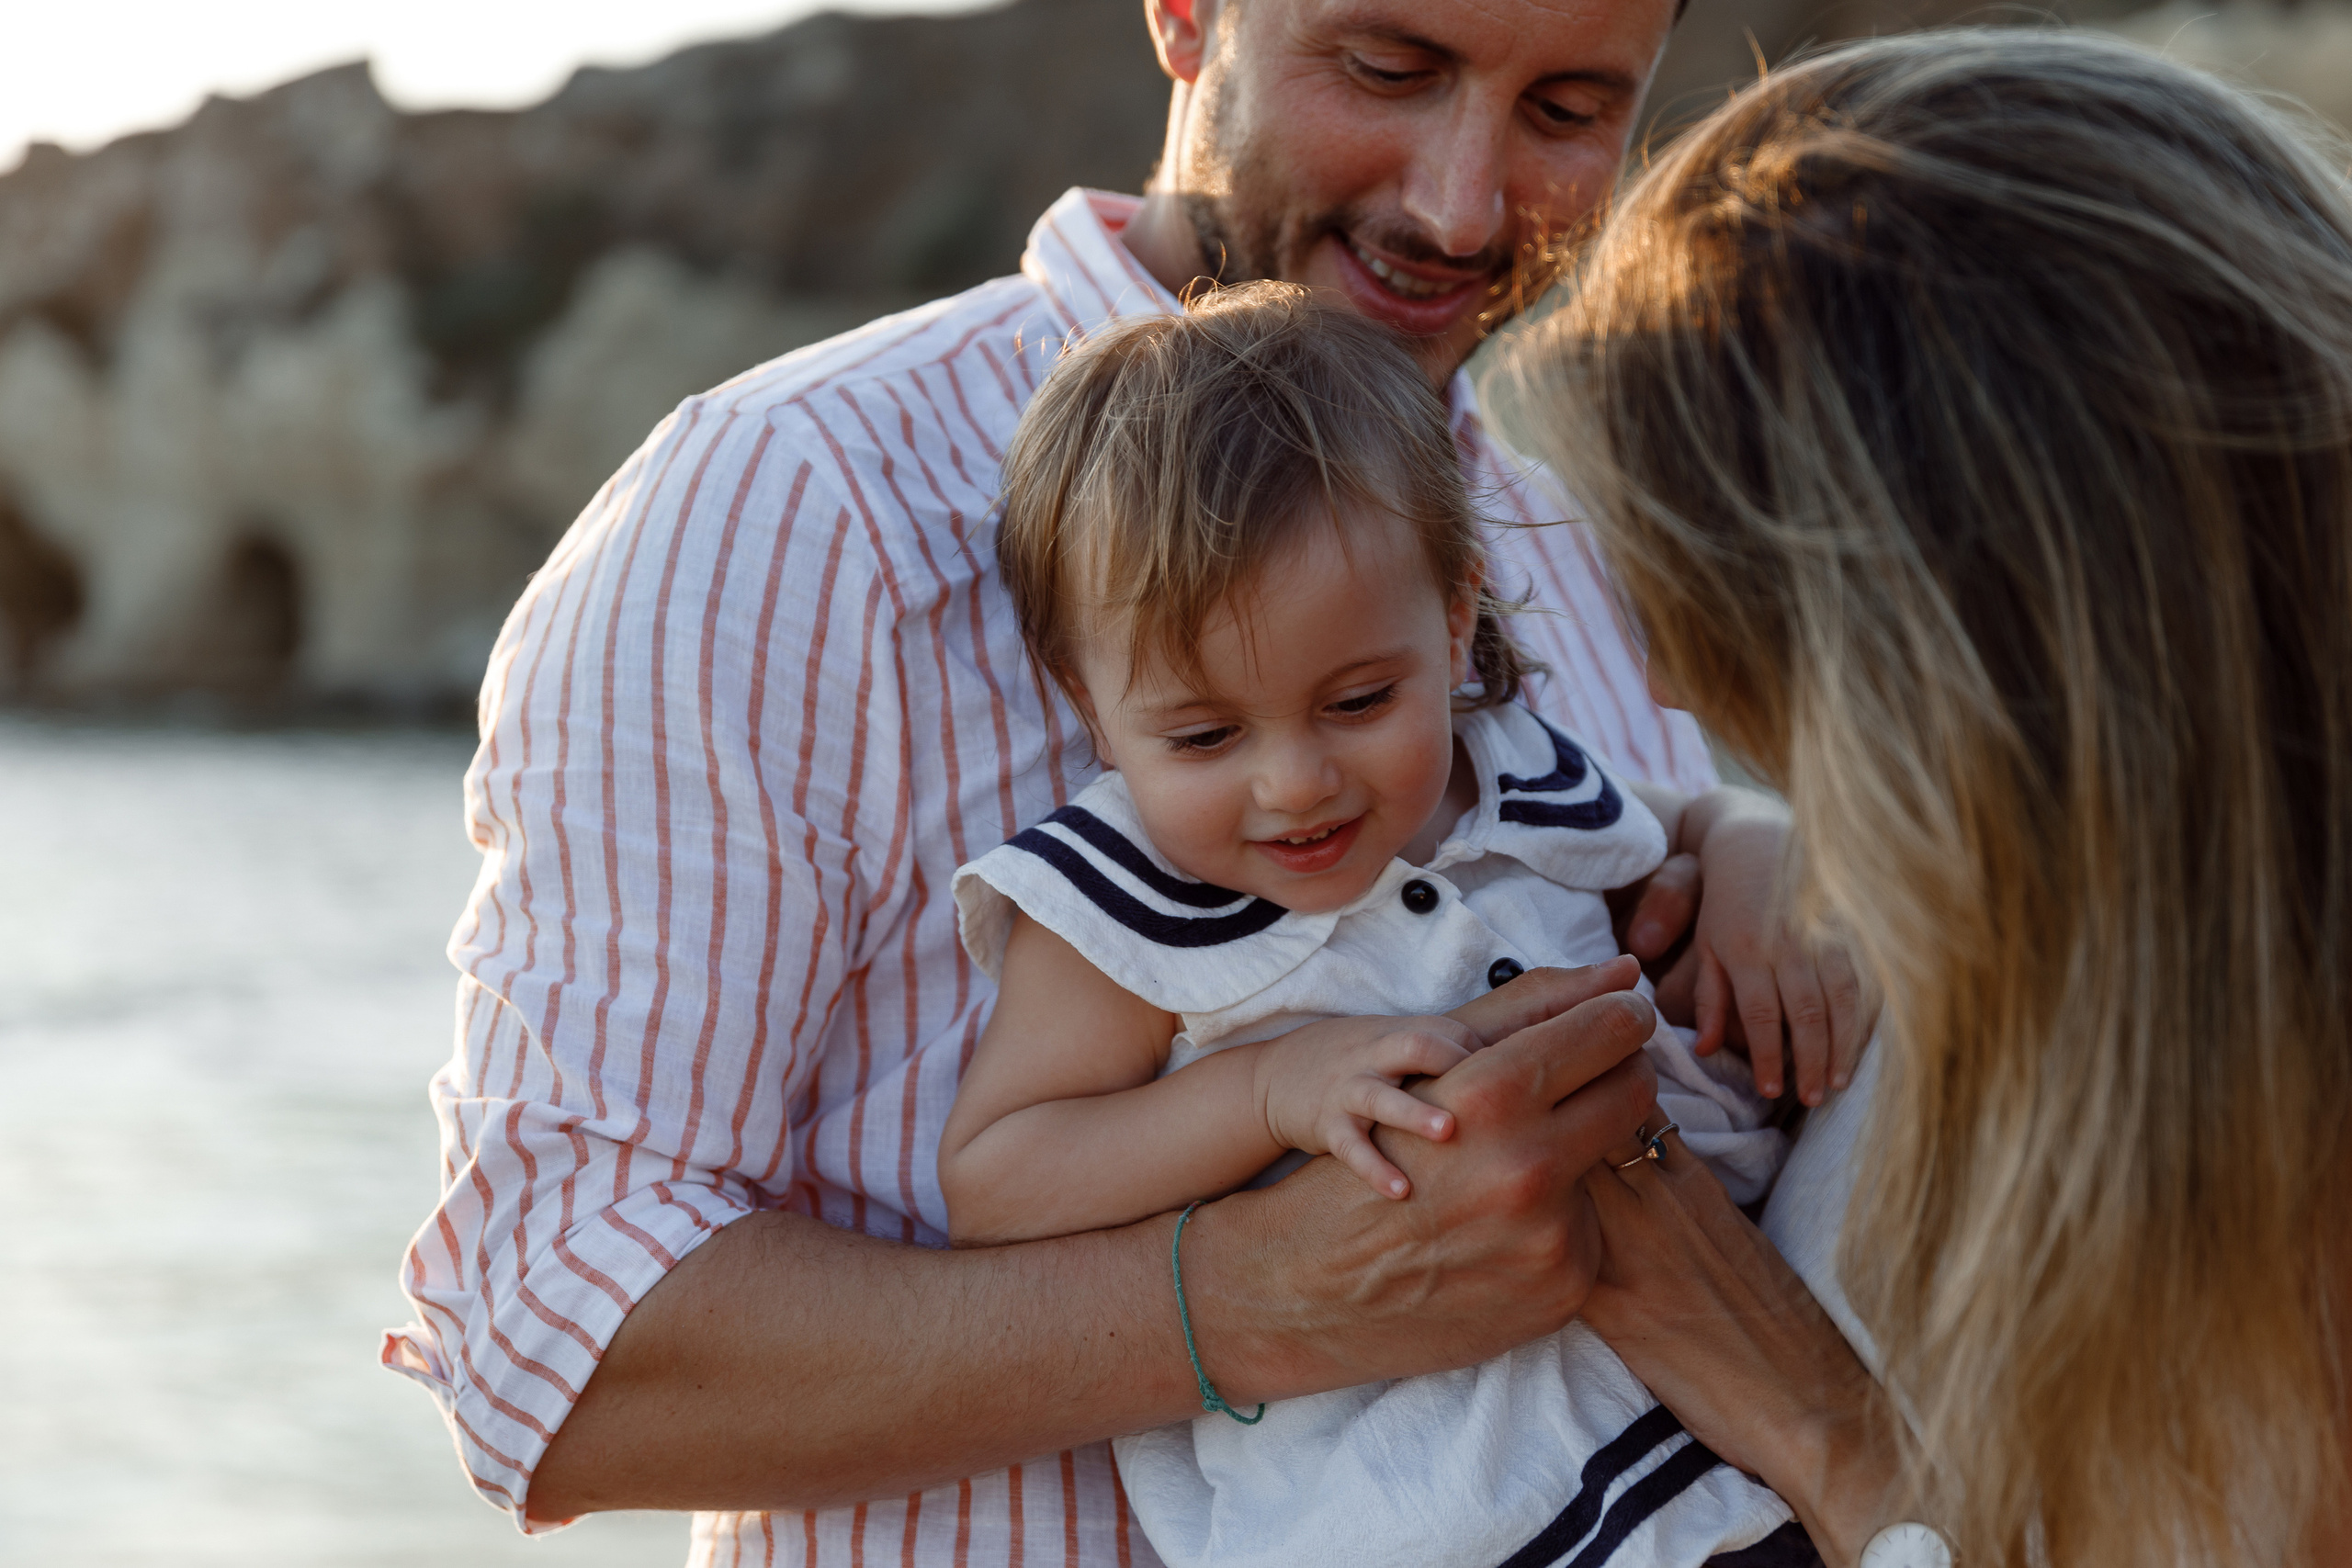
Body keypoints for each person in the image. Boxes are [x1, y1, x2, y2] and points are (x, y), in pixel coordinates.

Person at [380, 0, 1867, 1562]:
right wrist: (1252, 1299)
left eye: (1568, 110)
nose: (1461, 205)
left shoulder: (1565, 541)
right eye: (1388, 69)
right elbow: (545, 1350)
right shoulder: (790, 508)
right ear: (1184, 15)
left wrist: (1765, 847)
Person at [1508, 28, 2352, 1568]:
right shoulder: (1983, 973)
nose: (1687, 697)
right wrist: (1724, 832)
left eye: (1739, 626)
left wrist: (1823, 1428)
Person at [940, 283, 1804, 1567]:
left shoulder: (1505, 763)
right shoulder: (1121, 897)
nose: (1295, 782)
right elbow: (998, 1175)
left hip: (1735, 1422)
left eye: (1357, 700)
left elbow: (1670, 831)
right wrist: (1268, 1091)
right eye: (1204, 735)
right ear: (1085, 696)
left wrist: (1751, 844)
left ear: (1453, 619)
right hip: (1434, 1501)